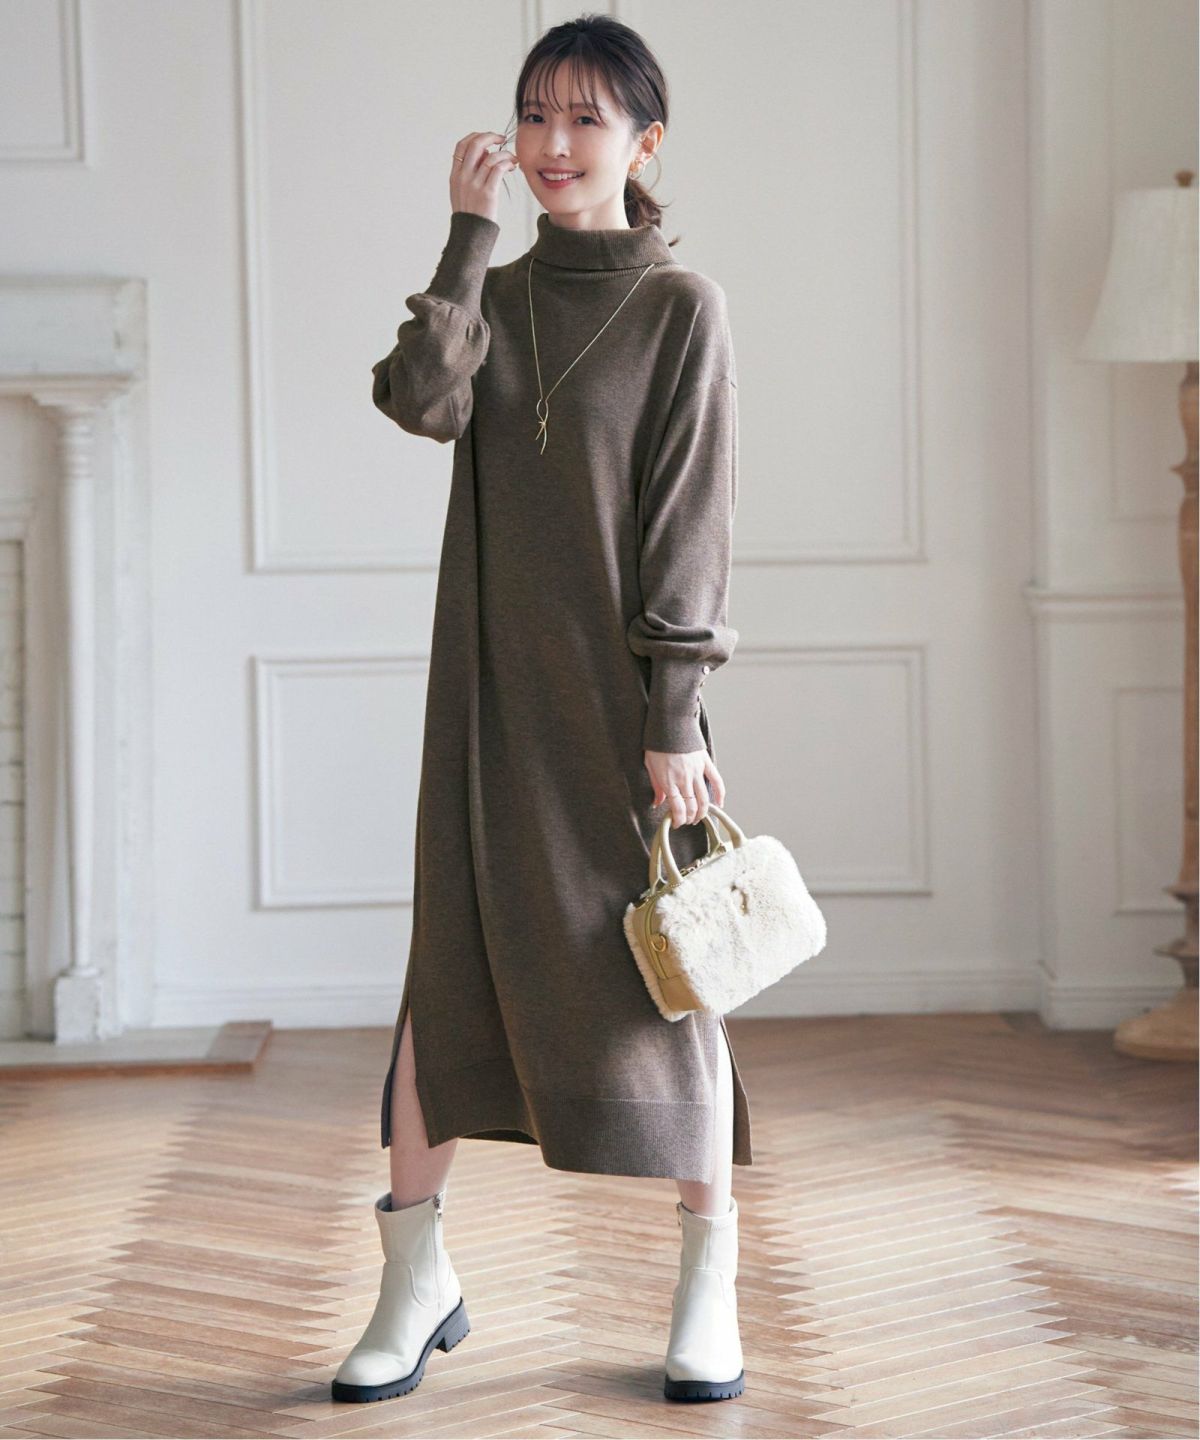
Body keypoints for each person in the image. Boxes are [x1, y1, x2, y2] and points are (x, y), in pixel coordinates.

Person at [332, 13, 752, 1407]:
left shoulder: (681, 308)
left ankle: (708, 1278)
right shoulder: (496, 295)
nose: (554, 144)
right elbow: (419, 403)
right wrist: (465, 237)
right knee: (447, 966)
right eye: (535, 115)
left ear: (645, 141)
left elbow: (689, 523)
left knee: (670, 968)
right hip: (487, 695)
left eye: (585, 118)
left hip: (620, 706)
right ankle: (414, 1279)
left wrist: (675, 712)